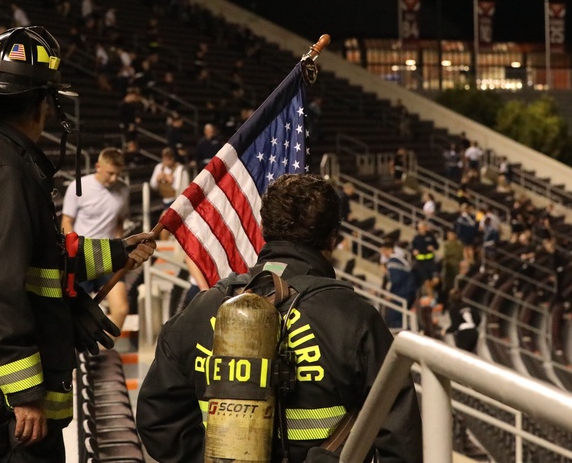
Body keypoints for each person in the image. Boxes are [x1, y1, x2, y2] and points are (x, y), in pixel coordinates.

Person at [0, 26, 154, 462]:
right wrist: (25, 390)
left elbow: (37, 258)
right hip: (1, 403)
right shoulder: (1, 168)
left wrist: (119, 251)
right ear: (43, 102)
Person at [137, 175, 423, 463]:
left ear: (265, 229)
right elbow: (401, 441)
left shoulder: (201, 309)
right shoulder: (357, 318)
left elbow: (157, 423)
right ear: (333, 238)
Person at [61, 148, 132, 331]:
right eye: (110, 173)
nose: (114, 179)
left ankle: (103, 352)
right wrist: (73, 250)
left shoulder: (123, 189)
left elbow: (119, 220)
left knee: (121, 308)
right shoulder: (78, 187)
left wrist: (119, 244)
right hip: (82, 255)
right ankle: (81, 353)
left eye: (118, 174)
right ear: (98, 166)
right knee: (73, 312)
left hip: (108, 253)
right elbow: (67, 221)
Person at [380, 239, 416, 329]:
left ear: (388, 250)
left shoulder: (392, 262)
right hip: (408, 292)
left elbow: (396, 280)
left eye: (383, 251)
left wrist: (391, 294)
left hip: (401, 293)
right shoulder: (399, 259)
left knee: (394, 320)